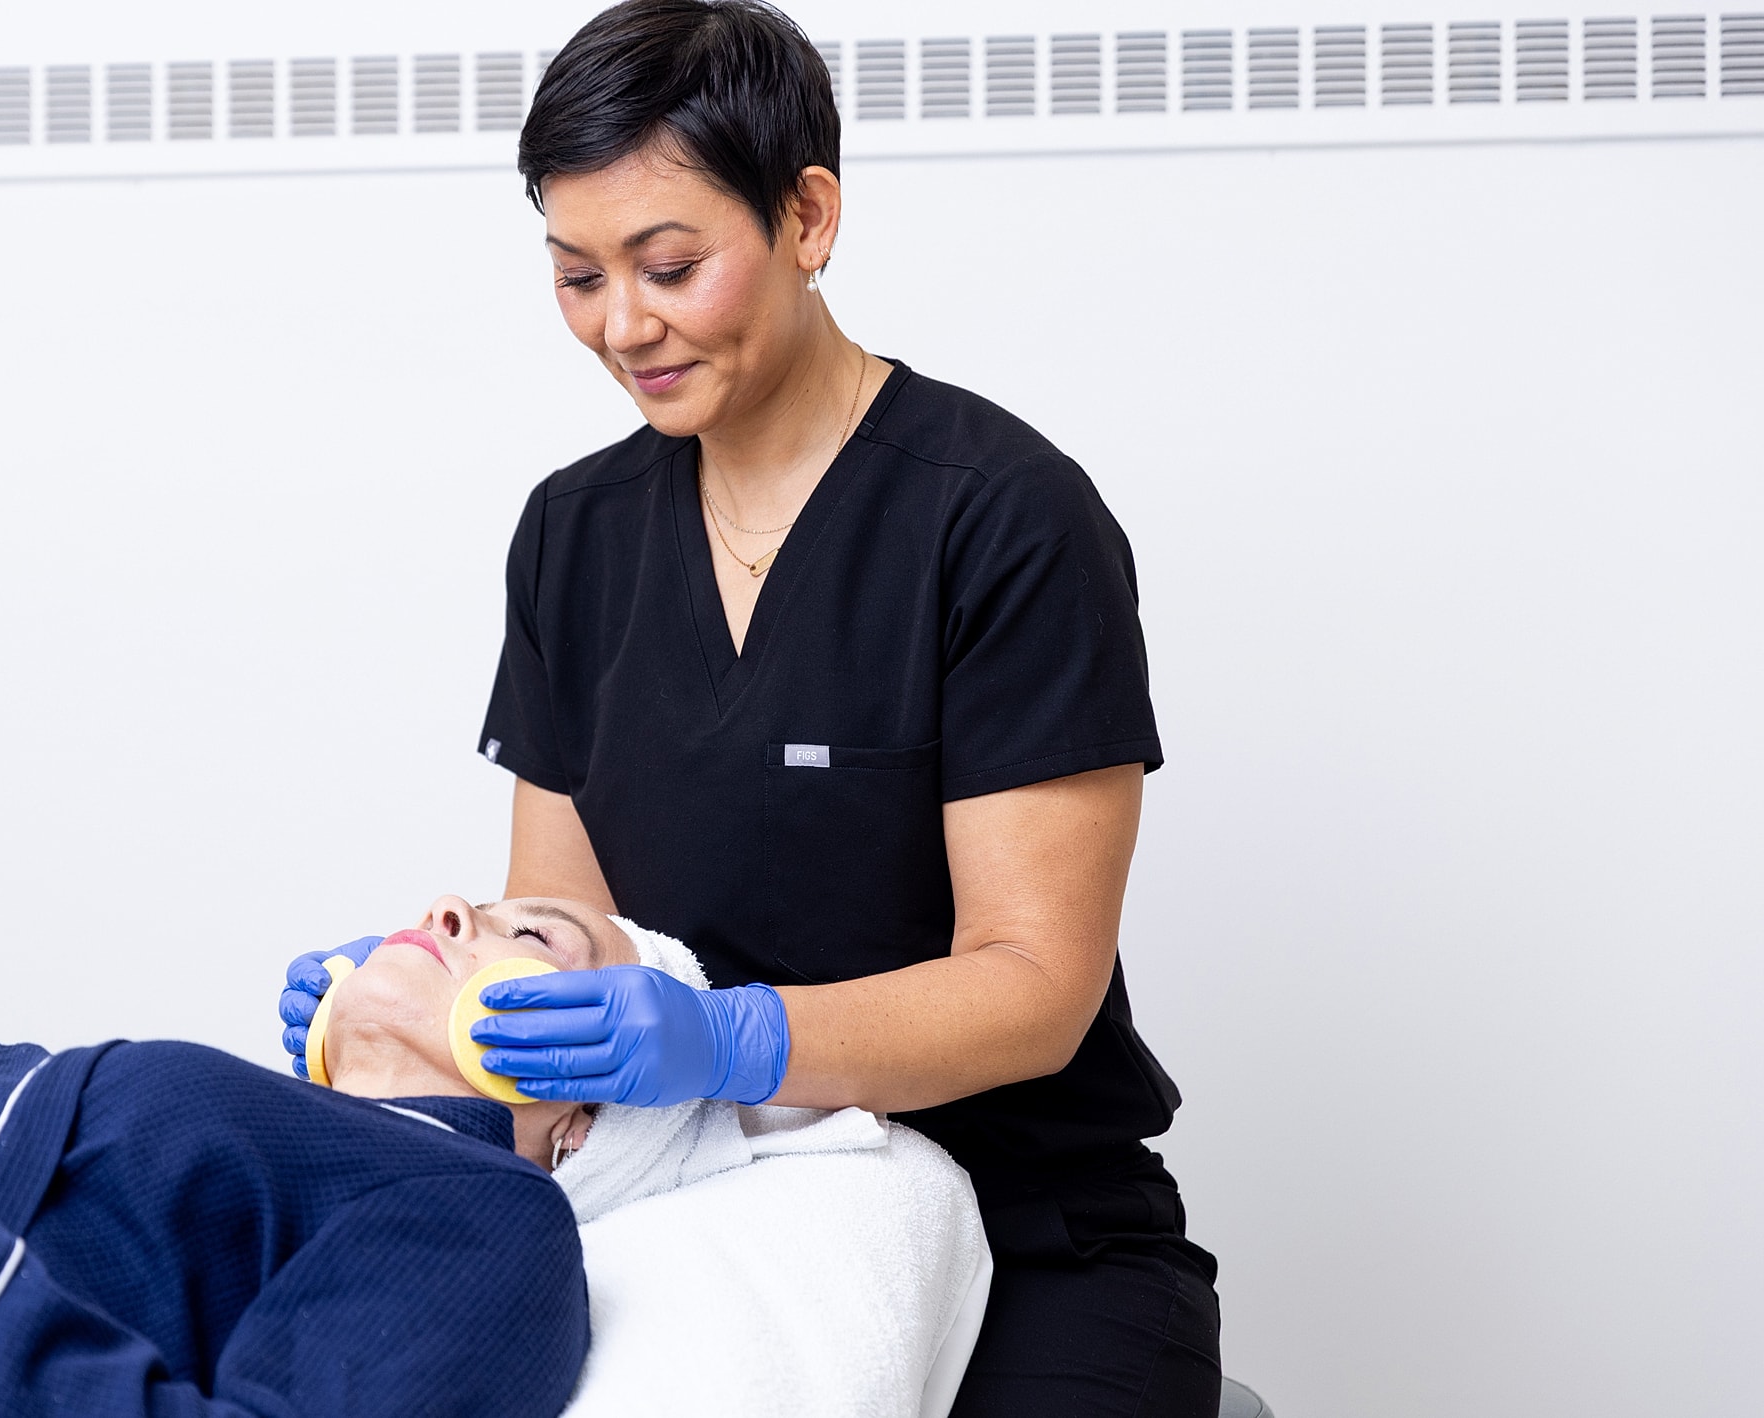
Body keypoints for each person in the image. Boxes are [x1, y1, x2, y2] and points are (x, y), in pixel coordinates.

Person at [278, 4, 1221, 1414]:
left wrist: (731, 1038)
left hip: (1036, 1233)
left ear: (808, 215)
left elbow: (1036, 985)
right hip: (696, 1207)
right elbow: (561, 936)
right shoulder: (574, 536)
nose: (623, 325)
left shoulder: (1000, 519)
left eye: (669, 265)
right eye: (578, 275)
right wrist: (412, 1005)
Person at [0, 895, 618, 1418]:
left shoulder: (499, 1217)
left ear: (583, 1122)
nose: (446, 908)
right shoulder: (272, 1126)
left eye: (532, 937)